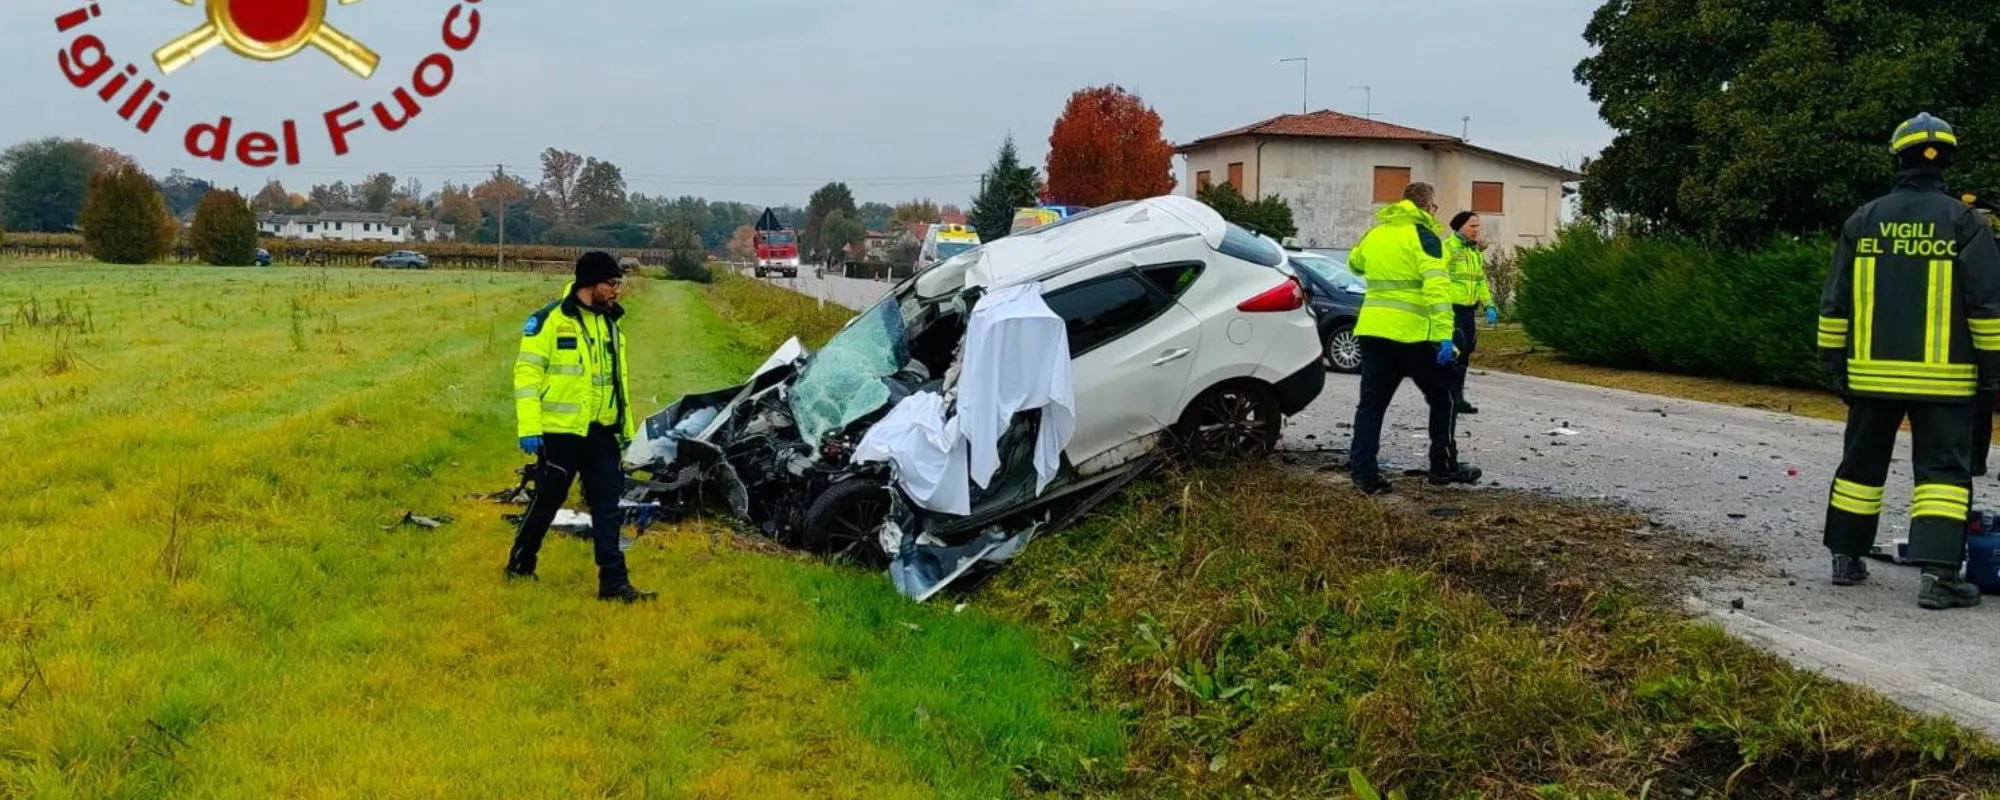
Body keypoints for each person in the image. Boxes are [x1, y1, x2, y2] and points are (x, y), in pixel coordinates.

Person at [1818, 112, 2000, 610]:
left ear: (1899, 159)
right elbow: (1987, 308)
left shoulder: (1863, 220)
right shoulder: (1966, 223)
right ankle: (1939, 578)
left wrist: (1834, 366)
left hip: (1871, 377)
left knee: (1860, 466)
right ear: (1946, 161)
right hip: (1946, 382)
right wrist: (1992, 374)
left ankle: (1846, 559)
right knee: (1943, 476)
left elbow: (1835, 303)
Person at [505, 252, 657, 603]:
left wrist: (625, 429)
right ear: (590, 283)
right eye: (612, 283)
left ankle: (614, 584)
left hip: (601, 432)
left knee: (608, 507)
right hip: (561, 434)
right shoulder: (549, 320)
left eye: (618, 283)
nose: (617, 290)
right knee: (547, 502)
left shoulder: (611, 323)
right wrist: (530, 426)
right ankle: (520, 565)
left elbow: (617, 381)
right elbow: (526, 376)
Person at [1345, 182, 1484, 495]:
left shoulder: (1376, 233)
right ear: (1428, 206)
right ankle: (1442, 466)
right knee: (1443, 398)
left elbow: (1355, 263)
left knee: (1371, 406)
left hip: (1373, 332)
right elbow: (1438, 289)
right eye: (1434, 207)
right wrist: (1445, 337)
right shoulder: (1425, 236)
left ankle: (1364, 474)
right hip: (1414, 336)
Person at [1442, 211, 1499, 414]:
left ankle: (1458, 398)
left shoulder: (1473, 252)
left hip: (1468, 310)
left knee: (1466, 352)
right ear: (1459, 227)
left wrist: (1489, 305)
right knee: (1457, 350)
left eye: (1477, 226)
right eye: (1472, 226)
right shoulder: (1448, 248)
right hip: (1451, 309)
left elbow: (1480, 280)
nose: (1476, 230)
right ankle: (1447, 397)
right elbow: (1436, 277)